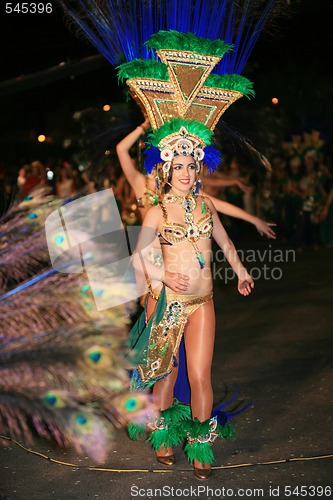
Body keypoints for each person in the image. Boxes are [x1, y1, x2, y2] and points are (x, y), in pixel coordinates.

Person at [129, 151, 254, 480]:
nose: (185, 173)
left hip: (202, 301)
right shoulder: (156, 212)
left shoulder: (206, 204)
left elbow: (225, 241)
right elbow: (137, 256)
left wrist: (241, 272)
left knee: (201, 376)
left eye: (190, 166)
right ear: (166, 170)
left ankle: (200, 446)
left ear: (198, 169)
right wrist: (164, 275)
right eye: (178, 166)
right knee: (167, 375)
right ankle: (163, 437)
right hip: (167, 303)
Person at [116, 122, 276, 238]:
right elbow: (121, 149)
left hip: (176, 253)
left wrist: (253, 219)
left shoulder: (181, 188)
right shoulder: (139, 182)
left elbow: (216, 204)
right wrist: (144, 126)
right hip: (150, 252)